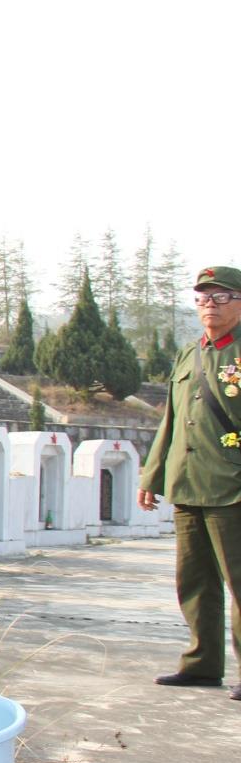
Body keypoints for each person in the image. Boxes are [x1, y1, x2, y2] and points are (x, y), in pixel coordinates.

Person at [139, 265, 241, 701]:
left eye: (220, 298)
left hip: (232, 486)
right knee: (194, 579)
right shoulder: (189, 354)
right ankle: (202, 664)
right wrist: (153, 474)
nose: (209, 306)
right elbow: (172, 420)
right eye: (202, 298)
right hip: (188, 482)